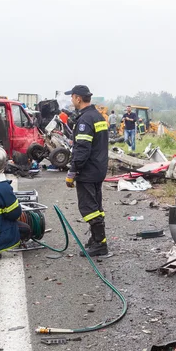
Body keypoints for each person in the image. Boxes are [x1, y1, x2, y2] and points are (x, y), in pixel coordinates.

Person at [64, 85, 111, 257]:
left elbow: (82, 150)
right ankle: (98, 239)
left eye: (72, 97)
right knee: (96, 205)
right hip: (99, 169)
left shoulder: (85, 120)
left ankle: (99, 244)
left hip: (88, 171)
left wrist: (72, 172)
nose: (71, 100)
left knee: (88, 207)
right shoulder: (97, 116)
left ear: (77, 98)